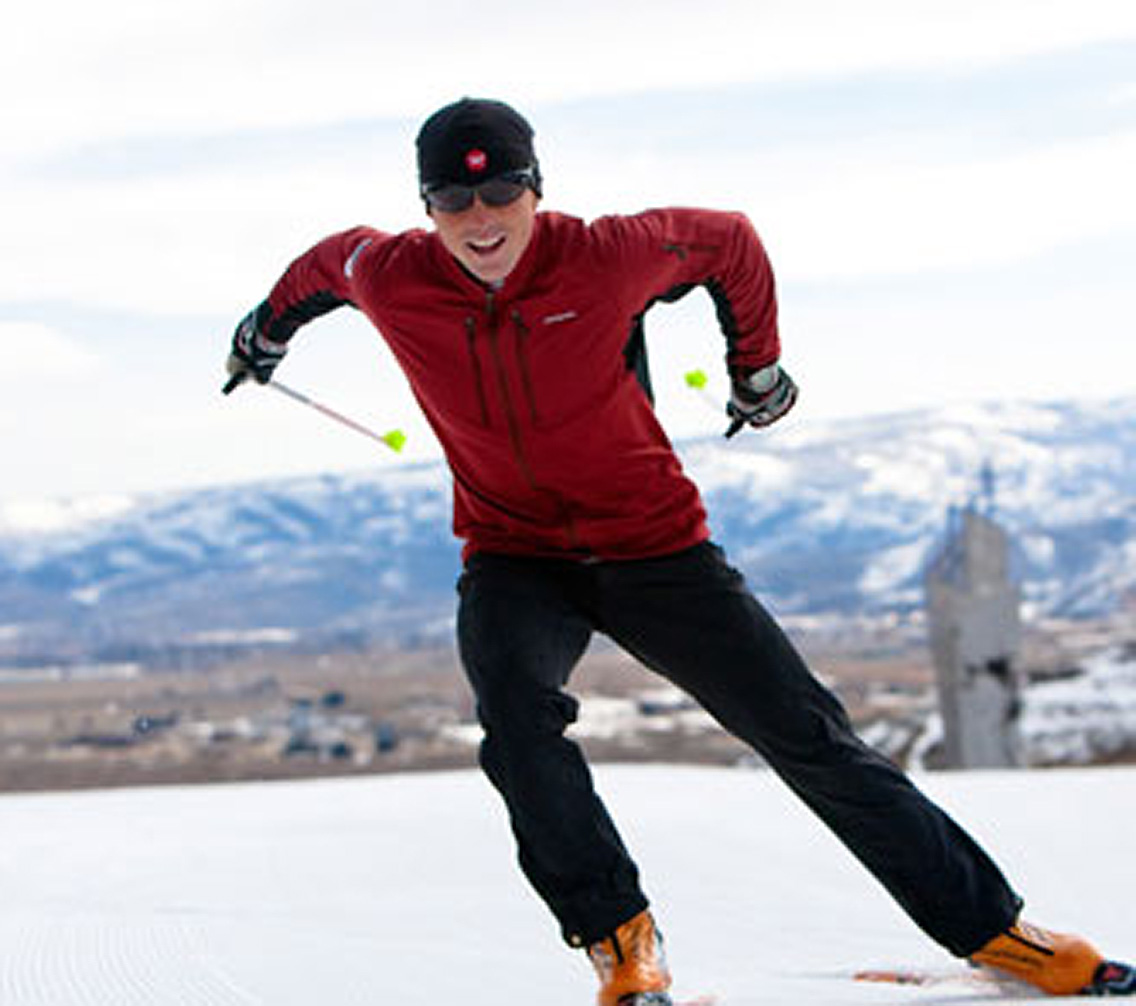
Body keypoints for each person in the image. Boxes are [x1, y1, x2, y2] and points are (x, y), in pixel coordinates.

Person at [223, 97, 1130, 1004]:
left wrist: (757, 369)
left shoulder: (610, 255)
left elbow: (731, 241)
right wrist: (263, 333)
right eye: (453, 202)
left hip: (653, 548)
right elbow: (318, 269)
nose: (480, 219)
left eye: (501, 190)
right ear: (426, 208)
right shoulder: (389, 272)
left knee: (807, 737)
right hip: (514, 553)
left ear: (535, 189)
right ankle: (620, 939)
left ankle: (996, 932)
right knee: (516, 718)